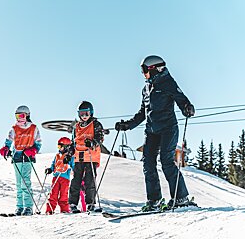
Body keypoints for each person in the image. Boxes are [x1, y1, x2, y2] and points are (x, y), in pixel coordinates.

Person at [115, 55, 195, 211]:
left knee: (166, 162)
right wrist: (127, 125)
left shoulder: (167, 82)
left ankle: (181, 197)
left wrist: (187, 107)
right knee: (148, 164)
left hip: (168, 128)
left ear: (153, 69)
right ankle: (155, 200)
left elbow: (181, 98)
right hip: (151, 131)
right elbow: (142, 113)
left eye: (144, 70)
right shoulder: (146, 88)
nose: (143, 73)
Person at [0, 105, 42, 216]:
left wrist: (33, 150)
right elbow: (8, 141)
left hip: (27, 157)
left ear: (27, 116)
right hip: (17, 157)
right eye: (17, 116)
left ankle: (28, 207)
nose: (19, 118)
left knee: (25, 182)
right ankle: (19, 207)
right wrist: (6, 149)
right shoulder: (14, 129)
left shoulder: (33, 128)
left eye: (22, 116)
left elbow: (38, 143)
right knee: (19, 184)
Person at [69, 101, 104, 213]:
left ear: (91, 113)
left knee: (89, 180)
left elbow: (100, 138)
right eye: (81, 114)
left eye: (86, 113)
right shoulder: (77, 126)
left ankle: (90, 203)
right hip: (79, 156)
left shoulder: (96, 124)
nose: (84, 116)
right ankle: (73, 203)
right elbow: (73, 142)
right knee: (76, 180)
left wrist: (93, 143)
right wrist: (69, 153)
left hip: (90, 156)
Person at [44, 137, 75, 214]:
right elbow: (53, 165)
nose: (59, 148)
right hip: (56, 177)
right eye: (58, 146)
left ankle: (64, 209)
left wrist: (71, 167)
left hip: (65, 178)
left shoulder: (70, 157)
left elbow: (73, 166)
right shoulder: (57, 155)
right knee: (53, 194)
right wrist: (50, 169)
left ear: (66, 147)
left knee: (63, 194)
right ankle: (50, 209)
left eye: (60, 146)